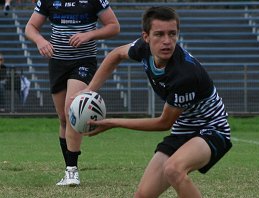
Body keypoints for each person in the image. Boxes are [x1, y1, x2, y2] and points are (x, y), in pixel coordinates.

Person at [81, 6, 232, 197]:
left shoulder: (184, 75)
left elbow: (163, 123)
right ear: (146, 37)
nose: (167, 41)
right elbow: (116, 55)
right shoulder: (142, 49)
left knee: (174, 169)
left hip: (212, 129)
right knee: (142, 195)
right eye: (159, 34)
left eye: (172, 34)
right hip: (183, 128)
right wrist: (88, 91)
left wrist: (113, 122)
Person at [25, 0, 120, 186]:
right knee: (63, 118)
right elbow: (31, 27)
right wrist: (40, 40)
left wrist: (89, 35)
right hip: (57, 64)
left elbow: (114, 27)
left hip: (83, 62)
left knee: (72, 111)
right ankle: (68, 169)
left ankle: (72, 171)